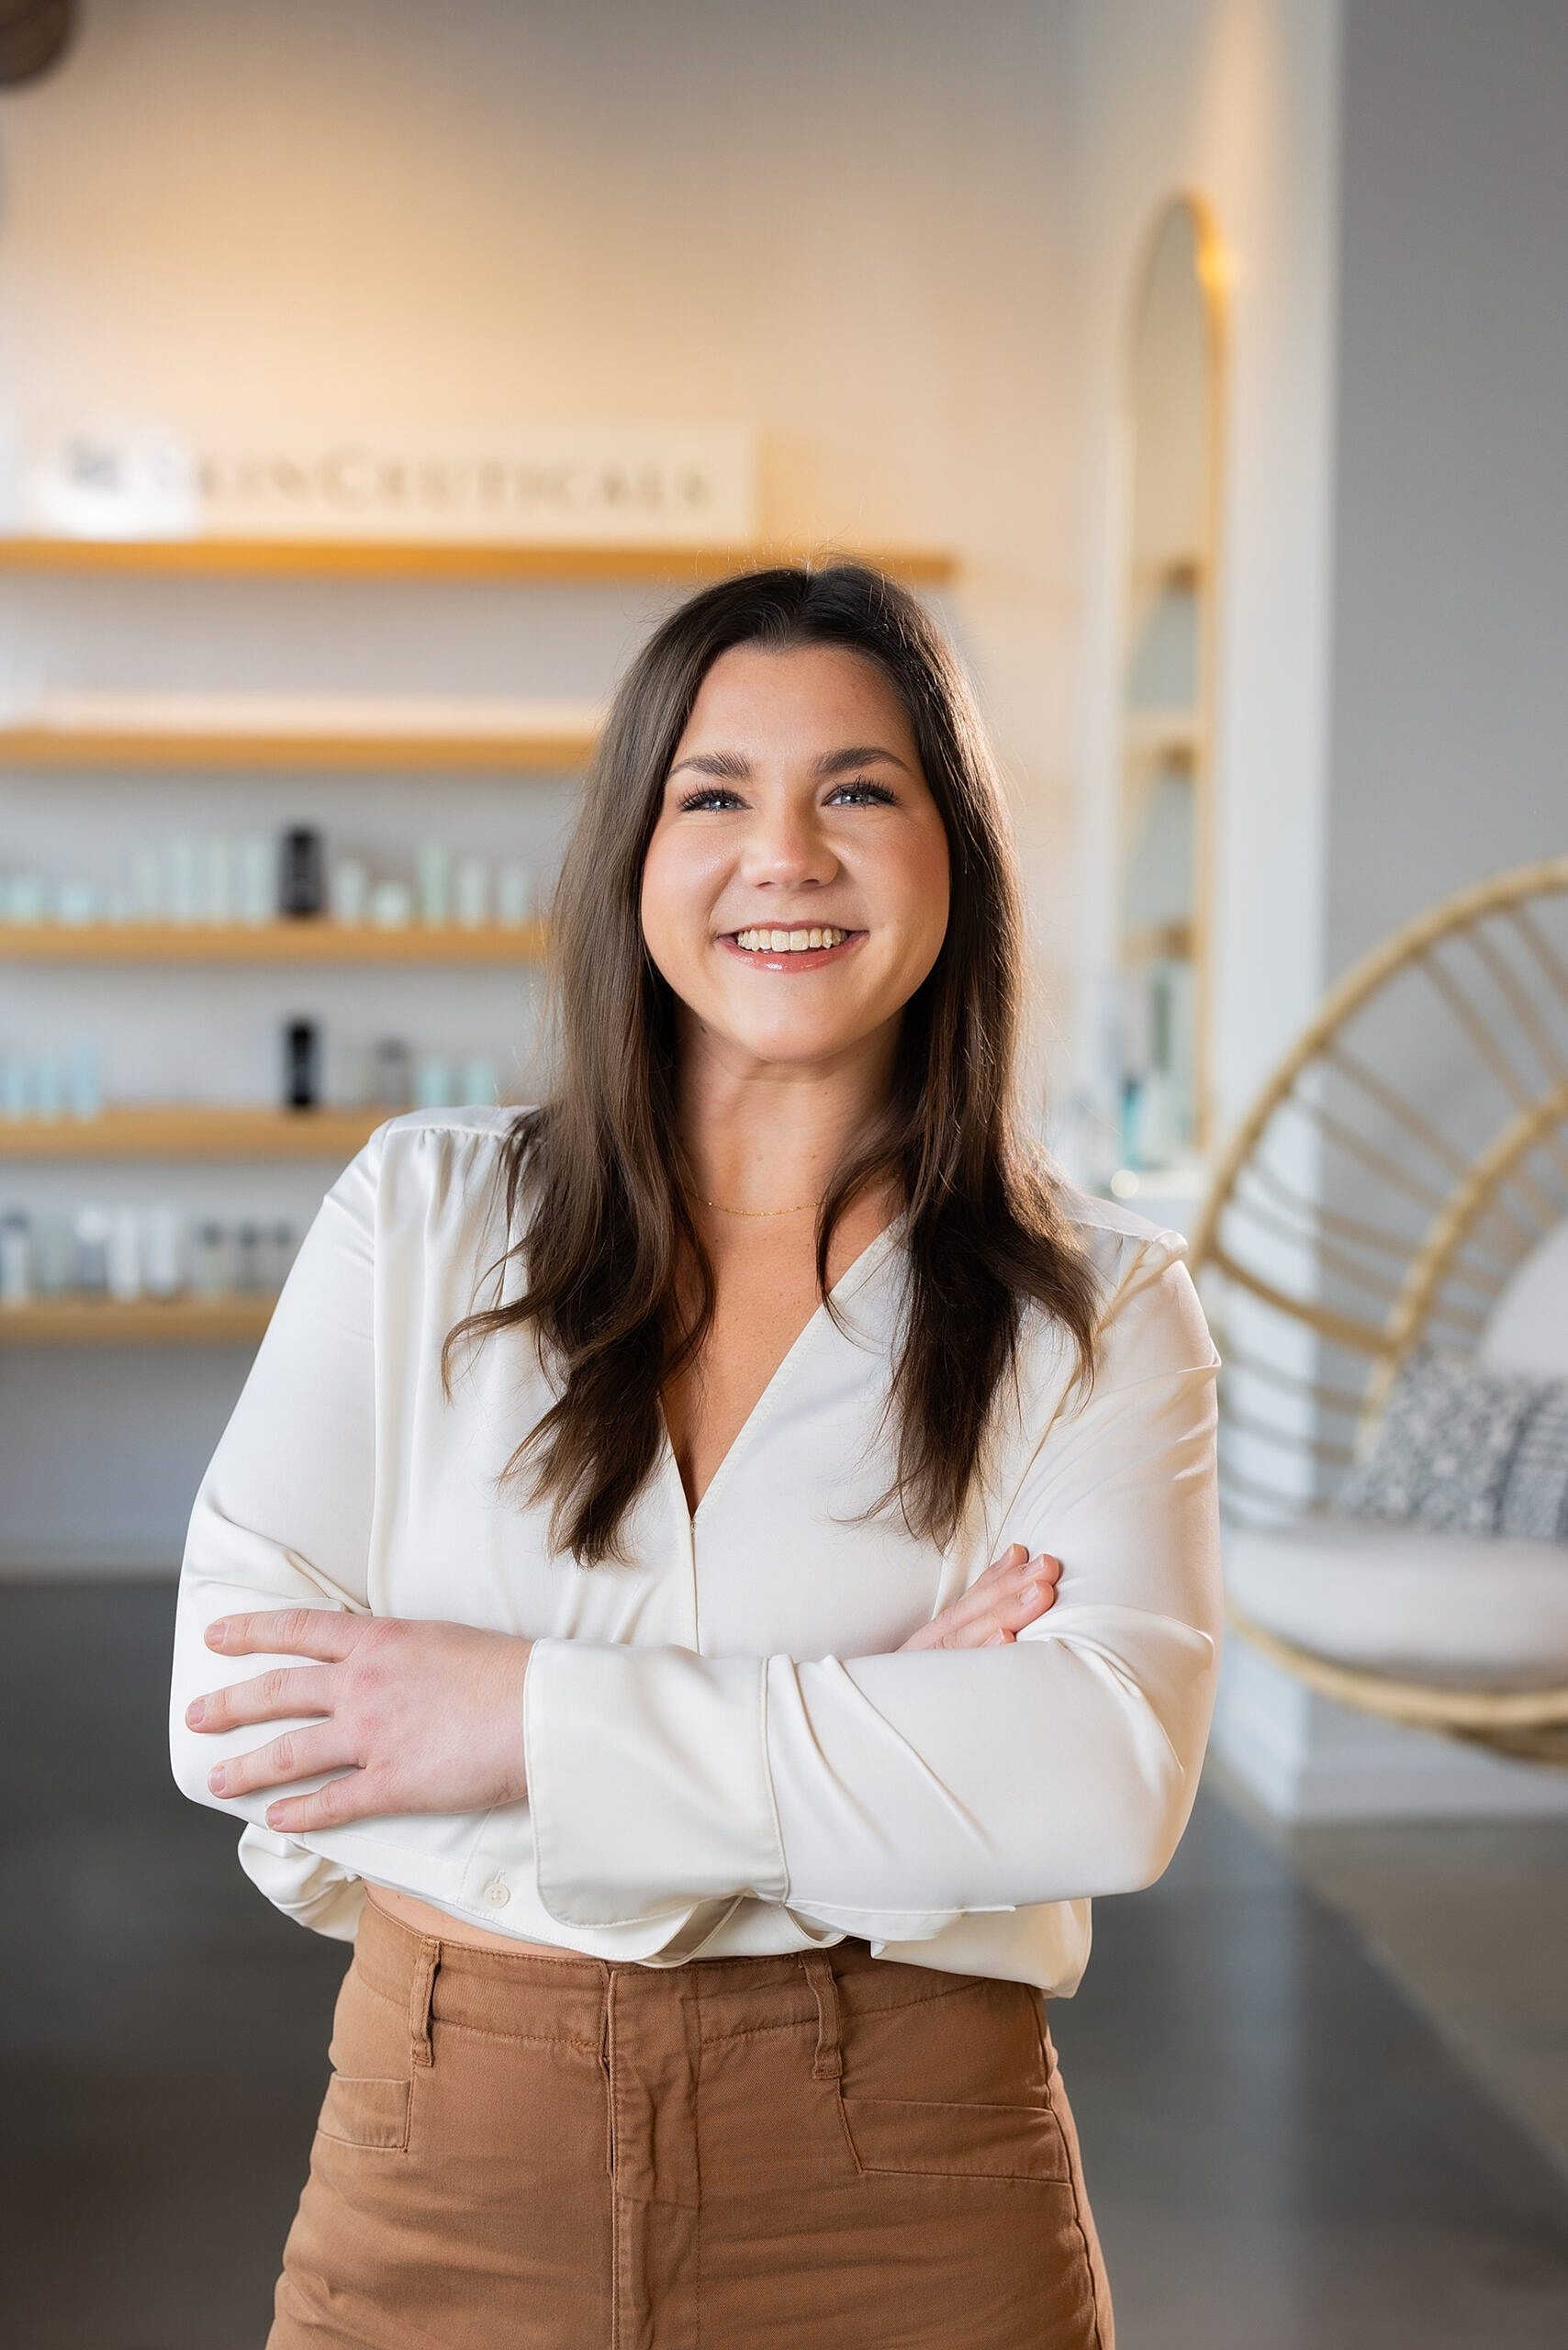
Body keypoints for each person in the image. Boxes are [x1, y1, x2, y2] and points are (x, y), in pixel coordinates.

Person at [169, 558, 1223, 2348]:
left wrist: (515, 1716)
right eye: (713, 795)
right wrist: (883, 1729)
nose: (783, 855)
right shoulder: (422, 1214)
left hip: (906, 2183)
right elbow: (238, 1716)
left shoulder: (1099, 1304)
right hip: (449, 2165)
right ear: (632, 858)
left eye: (857, 792)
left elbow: (1101, 1776)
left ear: (954, 855)